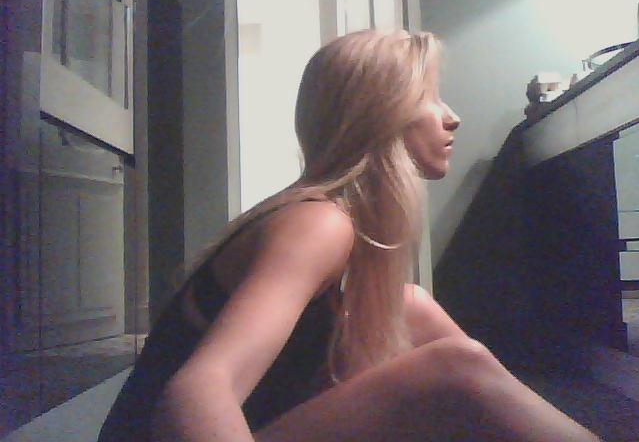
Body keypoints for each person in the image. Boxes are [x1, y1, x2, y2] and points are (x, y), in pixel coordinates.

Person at [98, 29, 599, 442]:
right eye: (429, 98)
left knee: (409, 305)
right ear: (380, 113)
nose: (452, 117)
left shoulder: (342, 232)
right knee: (457, 368)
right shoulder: (318, 222)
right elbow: (198, 390)